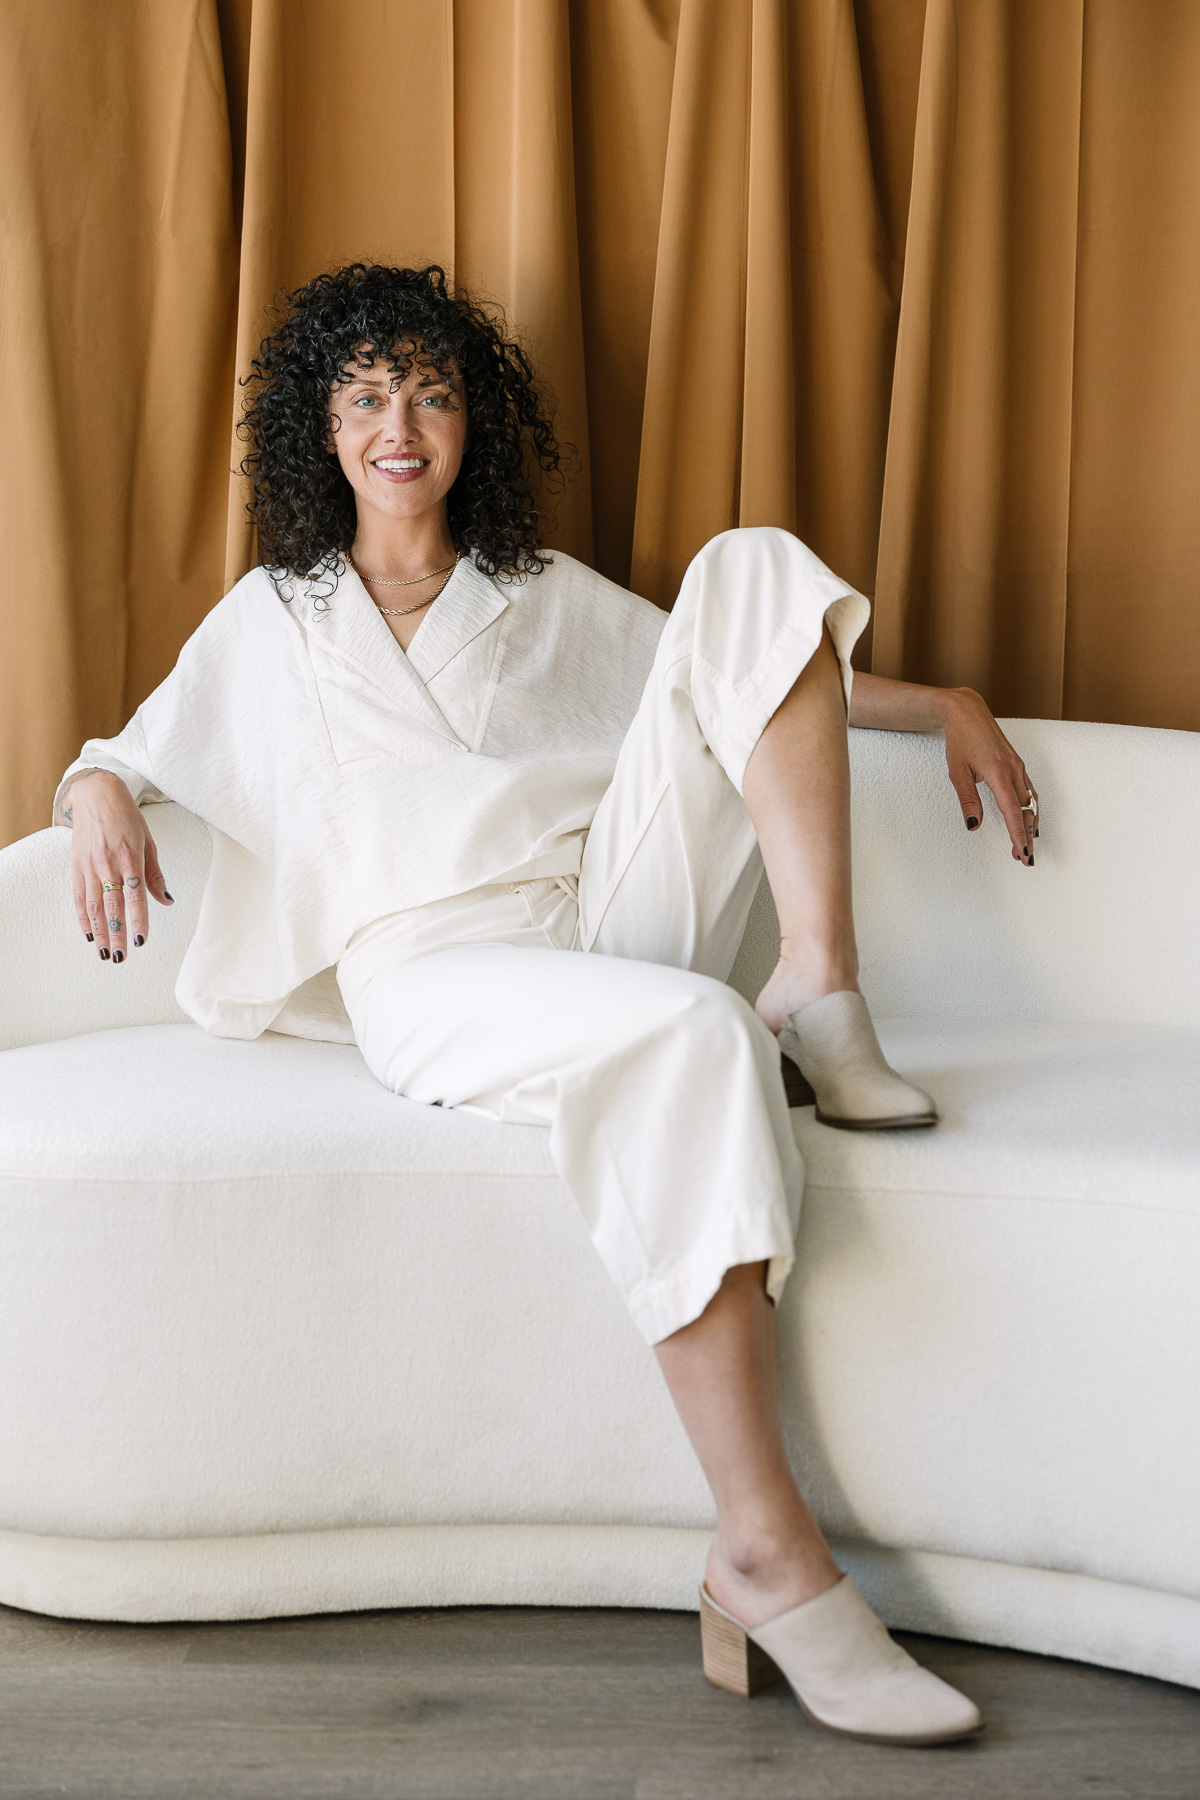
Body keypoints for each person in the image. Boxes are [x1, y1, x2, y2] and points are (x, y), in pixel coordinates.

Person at [55, 263, 1038, 1746]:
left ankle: (822, 988)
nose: (404, 423)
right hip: (433, 968)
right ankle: (765, 1549)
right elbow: (124, 748)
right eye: (370, 393)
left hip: (593, 919)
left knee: (759, 566)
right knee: (691, 1033)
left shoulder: (543, 601)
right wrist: (92, 796)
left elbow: (751, 672)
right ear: (321, 426)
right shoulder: (276, 615)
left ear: (474, 427)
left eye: (435, 392)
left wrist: (940, 700)